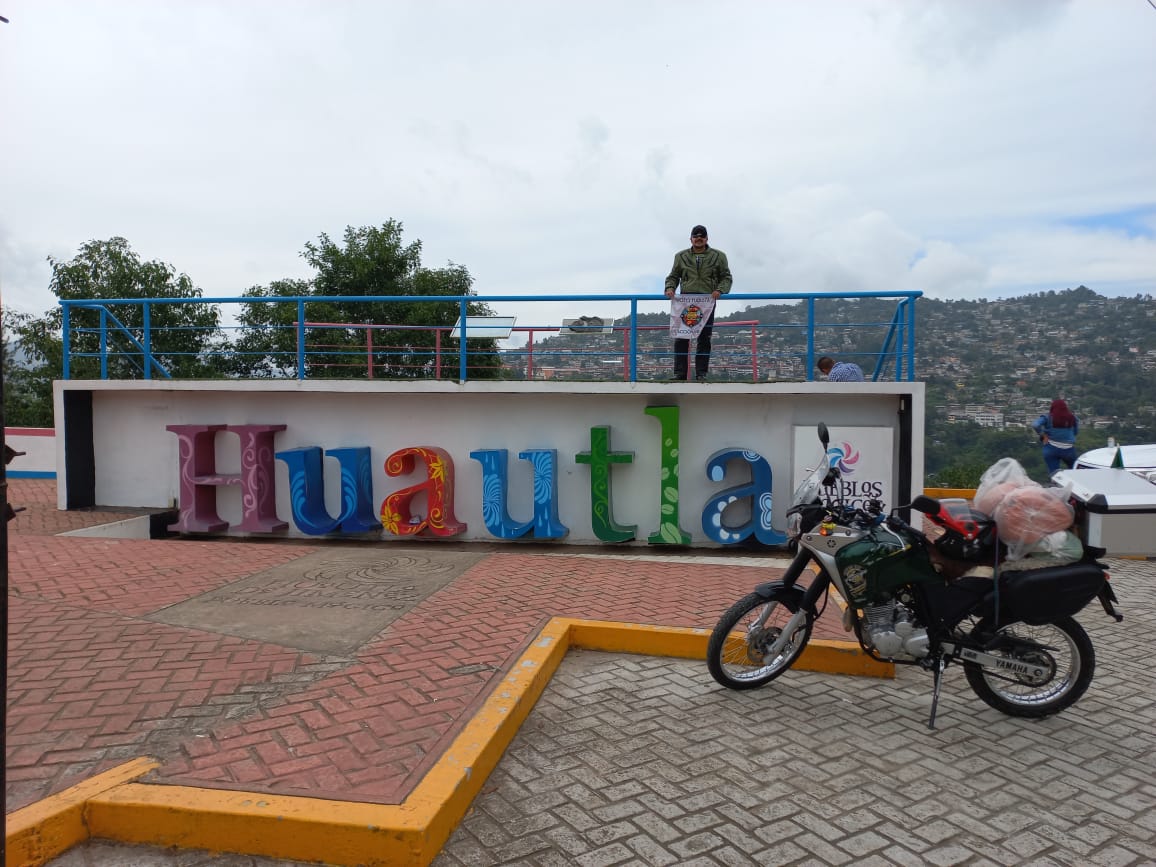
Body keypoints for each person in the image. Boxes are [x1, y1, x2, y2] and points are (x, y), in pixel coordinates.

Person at [664, 225, 732, 381]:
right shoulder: (680, 256)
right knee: (681, 337)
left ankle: (701, 373)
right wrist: (669, 288)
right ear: (691, 238)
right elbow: (673, 276)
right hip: (685, 302)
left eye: (702, 236)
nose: (699, 238)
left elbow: (726, 277)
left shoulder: (719, 256)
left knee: (704, 337)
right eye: (696, 236)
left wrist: (720, 290)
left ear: (707, 238)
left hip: (707, 302)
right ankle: (679, 374)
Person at [1032, 398, 1079, 473]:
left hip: (1051, 448)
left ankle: (1055, 483)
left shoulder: (1048, 417)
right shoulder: (1072, 418)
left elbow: (1035, 425)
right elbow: (1076, 432)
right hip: (1068, 449)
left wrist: (1042, 435)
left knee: (1054, 474)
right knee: (1075, 472)